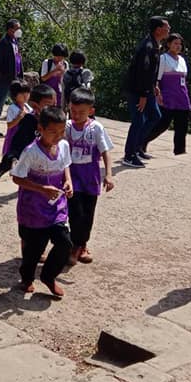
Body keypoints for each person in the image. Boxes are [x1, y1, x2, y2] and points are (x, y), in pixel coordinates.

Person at [11, 106, 73, 299]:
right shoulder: (31, 152)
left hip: (56, 206)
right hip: (33, 207)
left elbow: (66, 165)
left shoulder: (64, 146)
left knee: (65, 243)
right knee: (34, 250)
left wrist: (68, 181)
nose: (58, 136)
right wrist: (41, 189)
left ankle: (48, 276)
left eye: (62, 132)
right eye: (53, 132)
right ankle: (27, 278)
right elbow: (17, 177)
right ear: (41, 128)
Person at [65, 87, 114, 265]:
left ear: (91, 111)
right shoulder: (66, 127)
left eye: (81, 112)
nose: (76, 115)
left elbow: (105, 151)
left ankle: (82, 245)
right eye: (73, 111)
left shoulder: (96, 128)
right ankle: (75, 246)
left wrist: (108, 174)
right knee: (75, 213)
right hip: (72, 178)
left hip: (91, 179)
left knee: (88, 214)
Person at [0, 83, 55, 189]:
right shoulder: (28, 120)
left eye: (54, 105)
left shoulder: (51, 121)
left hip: (36, 156)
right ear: (35, 105)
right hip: (21, 151)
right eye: (48, 105)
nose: (52, 108)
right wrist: (14, 157)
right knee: (5, 165)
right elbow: (18, 141)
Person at [122, 16, 170, 167]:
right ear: (158, 30)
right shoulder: (147, 46)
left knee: (155, 116)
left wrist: (154, 85)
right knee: (138, 121)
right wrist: (143, 94)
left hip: (147, 89)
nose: (169, 29)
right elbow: (142, 71)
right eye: (166, 27)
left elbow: (151, 71)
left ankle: (138, 147)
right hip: (137, 90)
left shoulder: (155, 44)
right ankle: (129, 155)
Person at [145, 33, 191, 155]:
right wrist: (158, 94)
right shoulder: (163, 58)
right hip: (167, 96)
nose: (178, 46)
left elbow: (183, 79)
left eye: (180, 44)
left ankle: (180, 150)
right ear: (168, 44)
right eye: (175, 43)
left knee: (182, 125)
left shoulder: (182, 60)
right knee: (162, 124)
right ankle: (142, 142)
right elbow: (157, 78)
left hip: (181, 97)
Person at [0, 19, 23, 136]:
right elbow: (0, 62)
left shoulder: (15, 41)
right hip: (5, 79)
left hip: (16, 77)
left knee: (18, 103)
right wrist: (4, 76)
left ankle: (17, 126)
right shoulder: (4, 43)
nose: (19, 30)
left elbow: (18, 59)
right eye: (17, 28)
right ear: (10, 29)